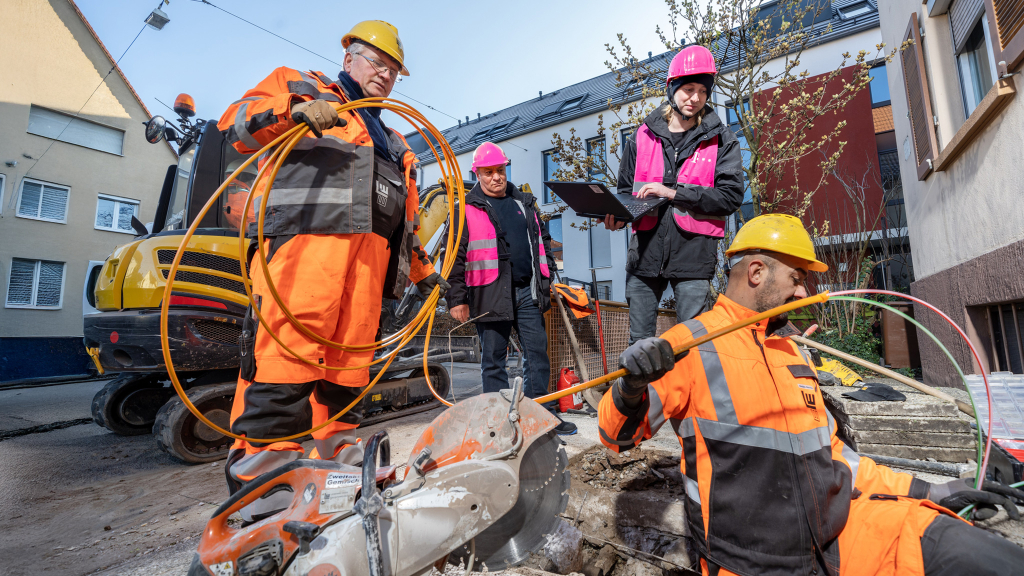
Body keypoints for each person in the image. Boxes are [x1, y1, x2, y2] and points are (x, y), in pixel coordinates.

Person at [599, 213, 1024, 575]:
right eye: (796, 278)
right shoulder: (687, 345)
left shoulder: (790, 349)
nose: (803, 292)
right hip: (751, 562)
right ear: (757, 272)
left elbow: (837, 459)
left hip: (840, 535)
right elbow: (615, 435)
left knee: (978, 554)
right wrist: (630, 385)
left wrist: (934, 492)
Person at [218, 21, 449, 501]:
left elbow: (403, 221)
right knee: (285, 357)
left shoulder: (394, 141)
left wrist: (424, 273)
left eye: (393, 71)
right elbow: (236, 124)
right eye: (377, 63)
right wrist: (295, 110)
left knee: (347, 369)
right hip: (304, 255)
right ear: (349, 59)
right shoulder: (299, 86)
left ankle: (339, 466)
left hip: (368, 271)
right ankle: (264, 476)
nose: (385, 75)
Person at [604, 45, 743, 343]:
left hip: (694, 255)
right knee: (639, 344)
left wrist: (672, 193)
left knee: (690, 344)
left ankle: (687, 391)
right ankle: (643, 392)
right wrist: (618, 217)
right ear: (672, 88)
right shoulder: (641, 136)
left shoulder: (722, 140)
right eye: (688, 89)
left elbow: (730, 197)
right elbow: (626, 192)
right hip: (644, 255)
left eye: (703, 92)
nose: (695, 98)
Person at [446, 142, 576, 435]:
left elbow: (543, 243)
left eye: (500, 170)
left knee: (538, 355)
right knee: (494, 361)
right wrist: (457, 298)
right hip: (489, 294)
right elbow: (453, 256)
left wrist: (548, 278)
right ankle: (499, 424)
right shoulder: (464, 209)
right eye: (489, 172)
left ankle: (540, 419)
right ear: (477, 174)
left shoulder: (525, 204)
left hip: (527, 293)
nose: (496, 177)